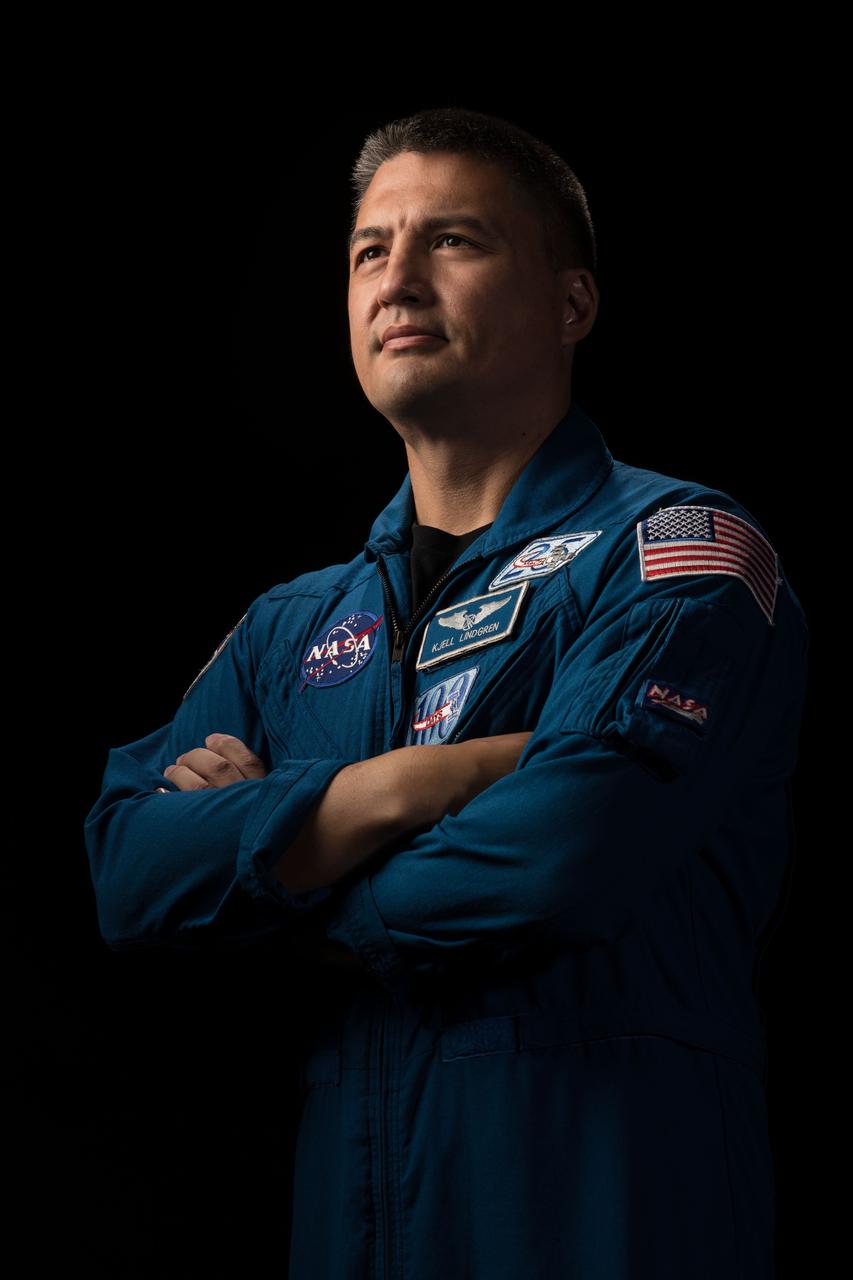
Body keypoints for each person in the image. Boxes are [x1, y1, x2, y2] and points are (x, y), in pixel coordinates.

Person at [84, 106, 809, 1278]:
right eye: (371, 248)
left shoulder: (679, 548)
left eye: (453, 240)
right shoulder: (294, 626)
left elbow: (563, 855)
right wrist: (416, 781)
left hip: (606, 1214)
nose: (397, 278)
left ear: (572, 303)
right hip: (353, 1228)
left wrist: (277, 888)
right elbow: (124, 865)